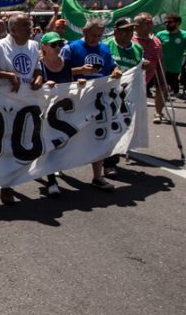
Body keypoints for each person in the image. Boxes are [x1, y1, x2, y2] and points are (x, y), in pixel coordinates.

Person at [0, 12, 42, 204]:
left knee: (20, 142)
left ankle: (11, 181)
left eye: (30, 24)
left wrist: (39, 78)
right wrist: (9, 76)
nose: (30, 27)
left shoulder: (33, 46)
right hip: (3, 104)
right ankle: (5, 186)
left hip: (25, 104)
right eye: (26, 25)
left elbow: (37, 69)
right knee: (3, 144)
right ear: (14, 29)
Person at [60, 18, 122, 190]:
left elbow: (112, 67)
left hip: (99, 99)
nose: (96, 39)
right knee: (69, 136)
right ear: (84, 31)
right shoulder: (70, 47)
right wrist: (80, 71)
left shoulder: (104, 48)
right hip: (75, 100)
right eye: (93, 35)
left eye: (99, 35)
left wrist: (116, 71)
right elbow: (58, 72)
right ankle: (57, 167)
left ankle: (97, 176)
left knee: (98, 135)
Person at [38, 31, 86, 196]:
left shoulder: (66, 63)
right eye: (53, 45)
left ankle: (51, 169)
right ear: (44, 47)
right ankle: (51, 180)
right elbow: (33, 86)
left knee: (61, 143)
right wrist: (44, 85)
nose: (58, 47)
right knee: (48, 144)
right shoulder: (39, 64)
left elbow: (70, 82)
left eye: (59, 44)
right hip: (45, 111)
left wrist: (78, 83)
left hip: (63, 111)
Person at [103, 18, 145, 175]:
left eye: (131, 30)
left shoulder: (138, 49)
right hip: (107, 95)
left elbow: (139, 70)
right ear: (116, 31)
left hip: (127, 96)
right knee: (105, 129)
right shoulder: (106, 46)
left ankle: (110, 162)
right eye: (125, 30)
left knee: (119, 128)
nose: (129, 33)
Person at [133, 13, 165, 123]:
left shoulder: (156, 41)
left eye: (151, 22)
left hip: (145, 81)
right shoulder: (131, 39)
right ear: (137, 25)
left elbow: (160, 60)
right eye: (147, 22)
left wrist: (162, 77)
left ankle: (158, 112)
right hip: (130, 81)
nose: (150, 24)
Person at [157, 13, 186, 103]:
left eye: (169, 22)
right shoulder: (160, 34)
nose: (166, 24)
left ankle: (167, 98)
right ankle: (159, 111)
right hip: (160, 67)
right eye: (165, 22)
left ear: (177, 23)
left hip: (175, 67)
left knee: (169, 87)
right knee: (162, 88)